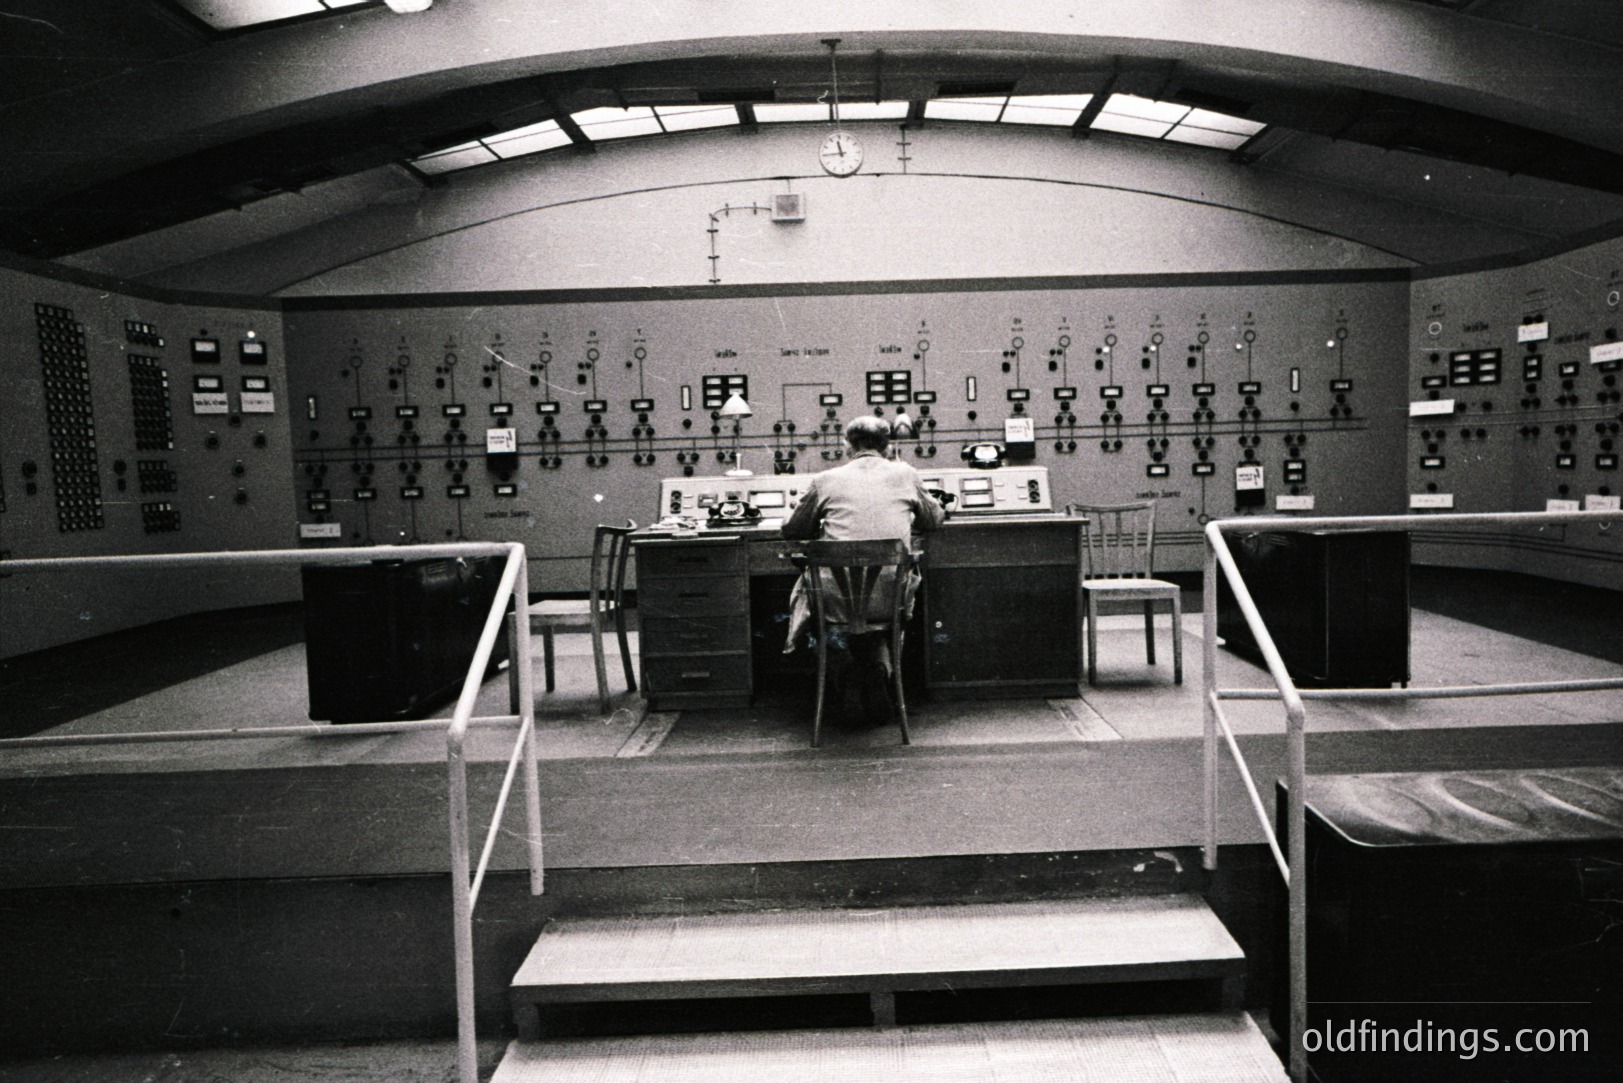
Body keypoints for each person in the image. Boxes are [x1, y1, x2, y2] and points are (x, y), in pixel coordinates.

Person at [780, 415, 947, 725]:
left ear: (847, 446)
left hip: (835, 604)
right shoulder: (906, 474)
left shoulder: (825, 479)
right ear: (887, 446)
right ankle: (877, 674)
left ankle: (848, 676)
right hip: (889, 600)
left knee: (816, 604)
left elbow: (792, 529)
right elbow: (933, 521)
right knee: (878, 621)